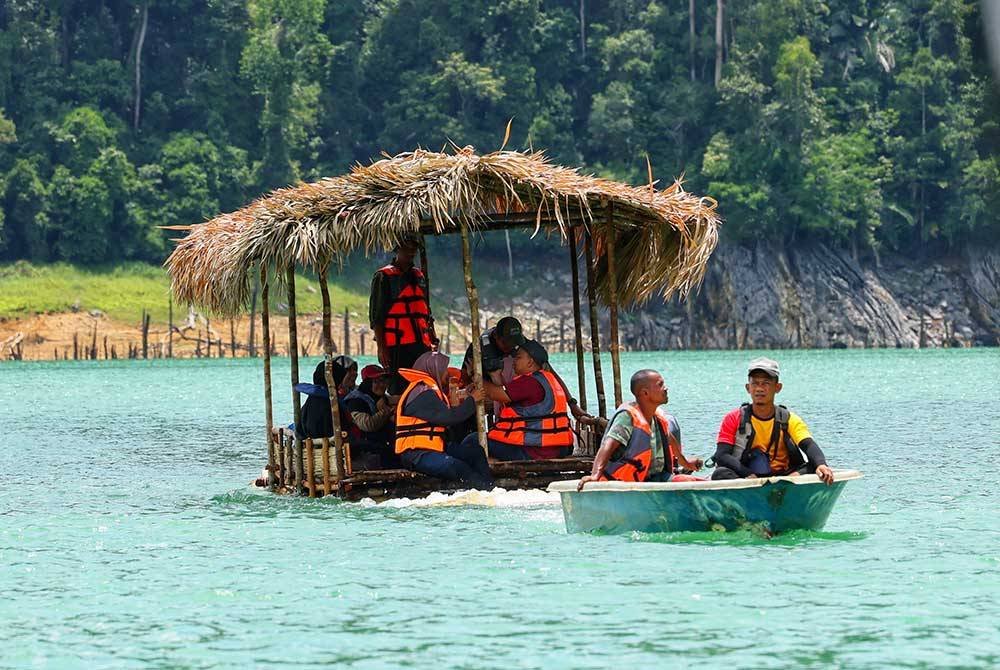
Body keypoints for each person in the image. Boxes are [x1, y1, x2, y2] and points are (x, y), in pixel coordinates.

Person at [711, 357, 834, 485]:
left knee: (815, 466)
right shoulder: (733, 418)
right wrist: (748, 475)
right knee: (720, 474)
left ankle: (787, 486)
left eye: (766, 383)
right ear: (748, 388)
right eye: (755, 383)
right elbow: (722, 455)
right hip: (746, 474)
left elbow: (808, 445)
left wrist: (821, 464)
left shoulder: (789, 419)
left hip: (784, 475)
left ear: (778, 387)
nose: (759, 388)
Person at [577, 369, 703, 488]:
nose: (665, 388)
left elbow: (669, 439)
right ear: (645, 393)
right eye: (660, 385)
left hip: (656, 478)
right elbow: (608, 446)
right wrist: (595, 475)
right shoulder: (627, 417)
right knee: (686, 482)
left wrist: (687, 463)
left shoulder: (657, 418)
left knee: (694, 481)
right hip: (628, 483)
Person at [395, 351, 495, 489]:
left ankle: (488, 487)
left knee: (475, 452)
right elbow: (450, 418)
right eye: (444, 370)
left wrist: (462, 398)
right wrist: (473, 400)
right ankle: (485, 491)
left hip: (436, 449)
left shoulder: (429, 391)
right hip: (417, 455)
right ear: (434, 369)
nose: (447, 373)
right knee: (457, 467)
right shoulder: (423, 392)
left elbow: (450, 420)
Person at [482, 340, 574, 461]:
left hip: (534, 450)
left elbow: (495, 394)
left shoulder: (529, 381)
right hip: (559, 447)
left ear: (530, 362)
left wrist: (478, 378)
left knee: (474, 440)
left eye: (518, 357)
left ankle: (481, 477)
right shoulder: (548, 378)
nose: (514, 361)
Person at [369, 234, 438, 372]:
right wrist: (382, 348)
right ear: (397, 249)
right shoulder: (383, 276)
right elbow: (376, 317)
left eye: (413, 248)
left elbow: (425, 312)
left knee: (422, 385)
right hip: (397, 345)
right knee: (399, 388)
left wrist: (432, 337)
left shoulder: (419, 276)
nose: (410, 252)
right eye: (406, 248)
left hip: (421, 344)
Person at [343, 364, 397, 469]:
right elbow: (367, 425)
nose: (382, 385)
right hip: (362, 451)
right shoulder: (356, 400)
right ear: (367, 383)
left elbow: (395, 398)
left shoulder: (376, 397)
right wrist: (387, 412)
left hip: (374, 446)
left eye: (384, 381)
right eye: (376, 381)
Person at [296, 359, 349, 440]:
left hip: (312, 443)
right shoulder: (332, 403)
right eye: (340, 381)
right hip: (331, 445)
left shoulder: (310, 401)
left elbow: (300, 431)